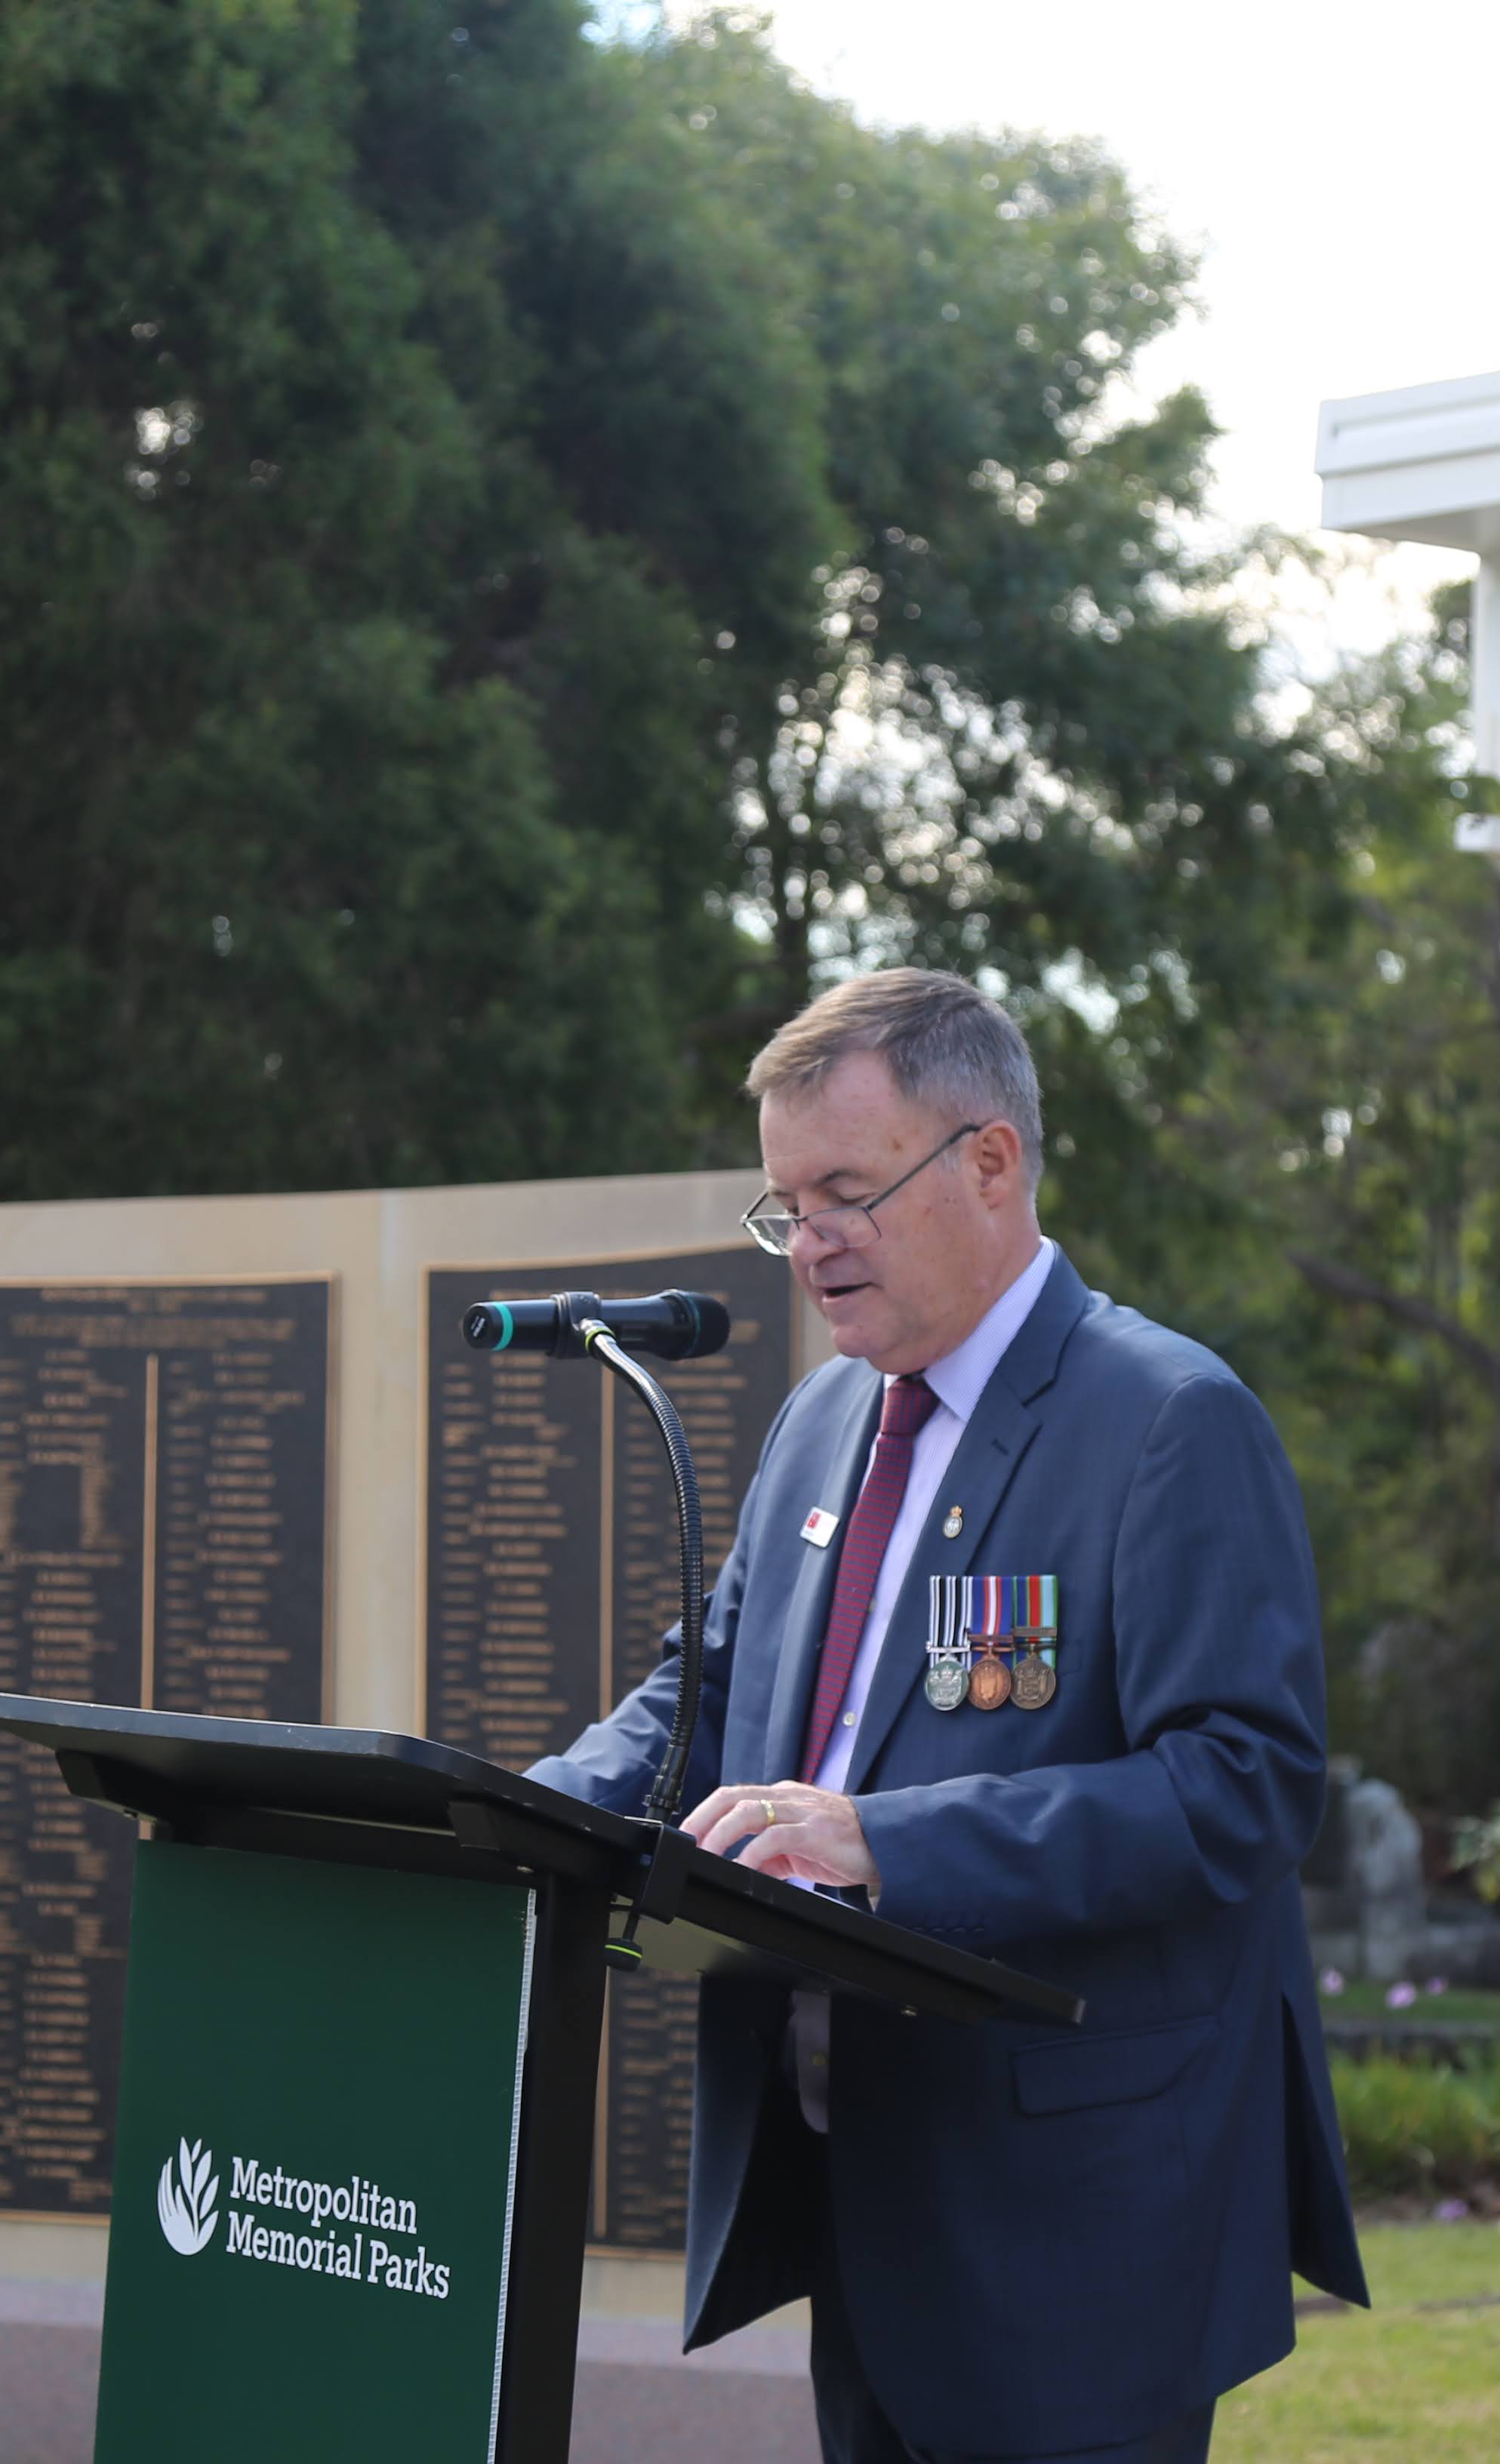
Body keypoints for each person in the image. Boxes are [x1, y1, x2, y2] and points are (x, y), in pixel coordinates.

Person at [528, 967, 1366, 2464]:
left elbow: (1241, 1784)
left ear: (989, 1161)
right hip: (861, 2171)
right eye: (784, 1206)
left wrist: (884, 1843)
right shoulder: (823, 1418)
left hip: (1076, 2214)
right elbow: (703, 1693)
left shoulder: (1168, 1419)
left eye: (844, 1191)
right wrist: (528, 1812)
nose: (810, 1244)